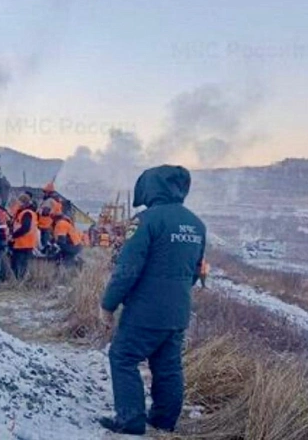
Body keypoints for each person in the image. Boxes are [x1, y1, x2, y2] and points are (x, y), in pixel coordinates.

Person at [98, 165, 207, 436]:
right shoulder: (196, 224)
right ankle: (164, 420)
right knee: (167, 365)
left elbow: (127, 269)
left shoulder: (146, 220)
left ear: (151, 187)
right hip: (178, 311)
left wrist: (108, 304)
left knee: (122, 356)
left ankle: (130, 420)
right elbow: (195, 271)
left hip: (145, 312)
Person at [11, 193, 38, 280]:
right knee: (22, 264)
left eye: (19, 202)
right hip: (26, 243)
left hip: (23, 243)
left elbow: (25, 228)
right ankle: (20, 281)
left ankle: (19, 281)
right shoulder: (28, 212)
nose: (17, 204)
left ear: (23, 202)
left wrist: (13, 235)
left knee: (20, 264)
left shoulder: (26, 213)